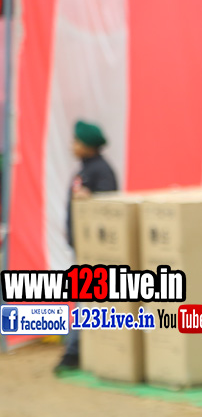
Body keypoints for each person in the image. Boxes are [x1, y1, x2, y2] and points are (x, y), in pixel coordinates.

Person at [55, 120, 118, 373]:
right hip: (82, 247)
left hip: (96, 250)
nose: (72, 146)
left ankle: (74, 352)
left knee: (85, 299)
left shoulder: (101, 170)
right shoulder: (84, 170)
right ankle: (78, 349)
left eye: (76, 141)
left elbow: (110, 206)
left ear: (88, 145)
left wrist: (92, 198)